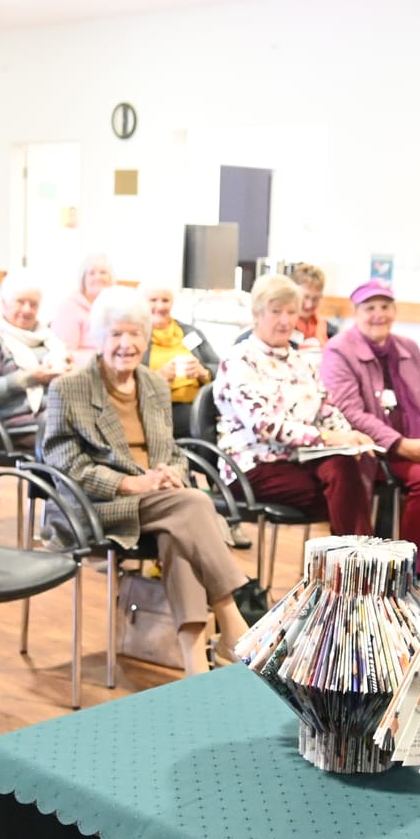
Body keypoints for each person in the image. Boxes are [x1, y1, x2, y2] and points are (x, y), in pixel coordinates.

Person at [38, 287, 266, 673]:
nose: (126, 344)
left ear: (146, 338)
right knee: (194, 504)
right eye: (116, 334)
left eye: (135, 335)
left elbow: (172, 450)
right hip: (98, 506)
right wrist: (130, 484)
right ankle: (230, 615)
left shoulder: (155, 385)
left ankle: (195, 664)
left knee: (179, 533)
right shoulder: (69, 388)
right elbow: (65, 466)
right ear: (99, 337)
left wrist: (171, 474)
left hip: (161, 505)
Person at [319, 279, 420, 569]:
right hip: (375, 450)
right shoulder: (339, 350)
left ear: (395, 310)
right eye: (370, 307)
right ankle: (408, 566)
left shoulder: (408, 347)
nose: (379, 314)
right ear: (356, 312)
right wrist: (400, 444)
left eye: (385, 306)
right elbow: (350, 412)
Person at [212, 273, 376, 536]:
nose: (286, 320)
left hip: (301, 458)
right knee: (343, 493)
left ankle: (352, 565)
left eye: (291, 312)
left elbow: (327, 408)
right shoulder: (239, 360)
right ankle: (356, 563)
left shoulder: (301, 361)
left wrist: (349, 437)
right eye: (276, 312)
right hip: (253, 464)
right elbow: (263, 426)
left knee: (345, 468)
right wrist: (328, 437)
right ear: (256, 314)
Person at [0, 269, 73, 440]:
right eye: (20, 302)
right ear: (4, 303)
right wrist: (32, 377)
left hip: (56, 421)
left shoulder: (50, 339)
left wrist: (70, 373)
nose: (27, 309)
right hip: (14, 429)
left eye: (33, 304)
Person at [139, 282, 220, 439]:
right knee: (201, 422)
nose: (160, 306)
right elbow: (127, 378)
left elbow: (221, 367)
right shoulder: (136, 335)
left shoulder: (189, 332)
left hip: (200, 402)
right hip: (160, 406)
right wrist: (156, 377)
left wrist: (204, 372)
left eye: (165, 300)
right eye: (153, 300)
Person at [48, 252, 116, 354]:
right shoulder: (69, 308)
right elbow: (63, 353)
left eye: (103, 272)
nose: (98, 277)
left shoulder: (116, 308)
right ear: (83, 280)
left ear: (111, 279)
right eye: (91, 273)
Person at [288, 262, 339, 348]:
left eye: (315, 299)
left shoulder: (330, 331)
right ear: (292, 294)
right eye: (305, 297)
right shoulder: (281, 328)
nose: (309, 304)